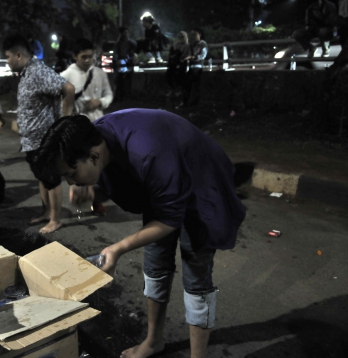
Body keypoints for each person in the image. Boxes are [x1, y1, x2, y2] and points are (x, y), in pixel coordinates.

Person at [30, 110, 246, 358]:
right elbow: (138, 190)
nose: (70, 183)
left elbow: (170, 218)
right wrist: (93, 188)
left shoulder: (149, 152)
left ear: (93, 157)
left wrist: (117, 248)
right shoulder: (96, 138)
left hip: (202, 186)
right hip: (165, 183)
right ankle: (154, 341)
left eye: (71, 174)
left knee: (196, 276)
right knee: (155, 266)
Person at [2, 34, 75, 234]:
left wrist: (64, 120)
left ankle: (55, 219)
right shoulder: (27, 73)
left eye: (7, 57)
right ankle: (47, 213)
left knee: (51, 179)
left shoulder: (37, 72)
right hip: (32, 140)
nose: (6, 62)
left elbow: (68, 88)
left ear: (18, 55)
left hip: (44, 139)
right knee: (42, 178)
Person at [61, 38, 113, 217]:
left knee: (99, 165)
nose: (88, 60)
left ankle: (96, 199)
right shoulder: (66, 76)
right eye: (84, 57)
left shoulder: (99, 73)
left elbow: (109, 94)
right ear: (75, 56)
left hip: (98, 124)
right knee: (81, 165)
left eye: (91, 56)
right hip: (77, 128)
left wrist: (101, 101)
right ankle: (79, 196)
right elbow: (59, 104)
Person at [180, 28, 207, 108]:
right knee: (188, 85)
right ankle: (186, 102)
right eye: (192, 35)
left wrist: (192, 57)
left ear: (200, 35)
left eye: (195, 34)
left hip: (198, 67)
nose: (193, 36)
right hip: (191, 67)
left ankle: (193, 102)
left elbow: (203, 55)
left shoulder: (203, 44)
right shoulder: (192, 44)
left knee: (195, 85)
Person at [112, 26, 137, 102]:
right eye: (124, 32)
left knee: (128, 80)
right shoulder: (118, 43)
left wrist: (132, 58)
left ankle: (126, 95)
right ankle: (120, 96)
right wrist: (116, 61)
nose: (126, 34)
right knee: (120, 80)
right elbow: (116, 53)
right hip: (121, 62)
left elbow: (134, 52)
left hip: (128, 62)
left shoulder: (131, 43)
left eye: (127, 32)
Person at [165, 31, 190, 98]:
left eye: (182, 36)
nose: (180, 38)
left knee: (180, 77)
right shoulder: (175, 44)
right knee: (168, 75)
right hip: (173, 63)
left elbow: (185, 55)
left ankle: (179, 90)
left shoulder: (187, 46)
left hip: (181, 62)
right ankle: (172, 89)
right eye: (179, 36)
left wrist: (180, 58)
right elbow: (171, 53)